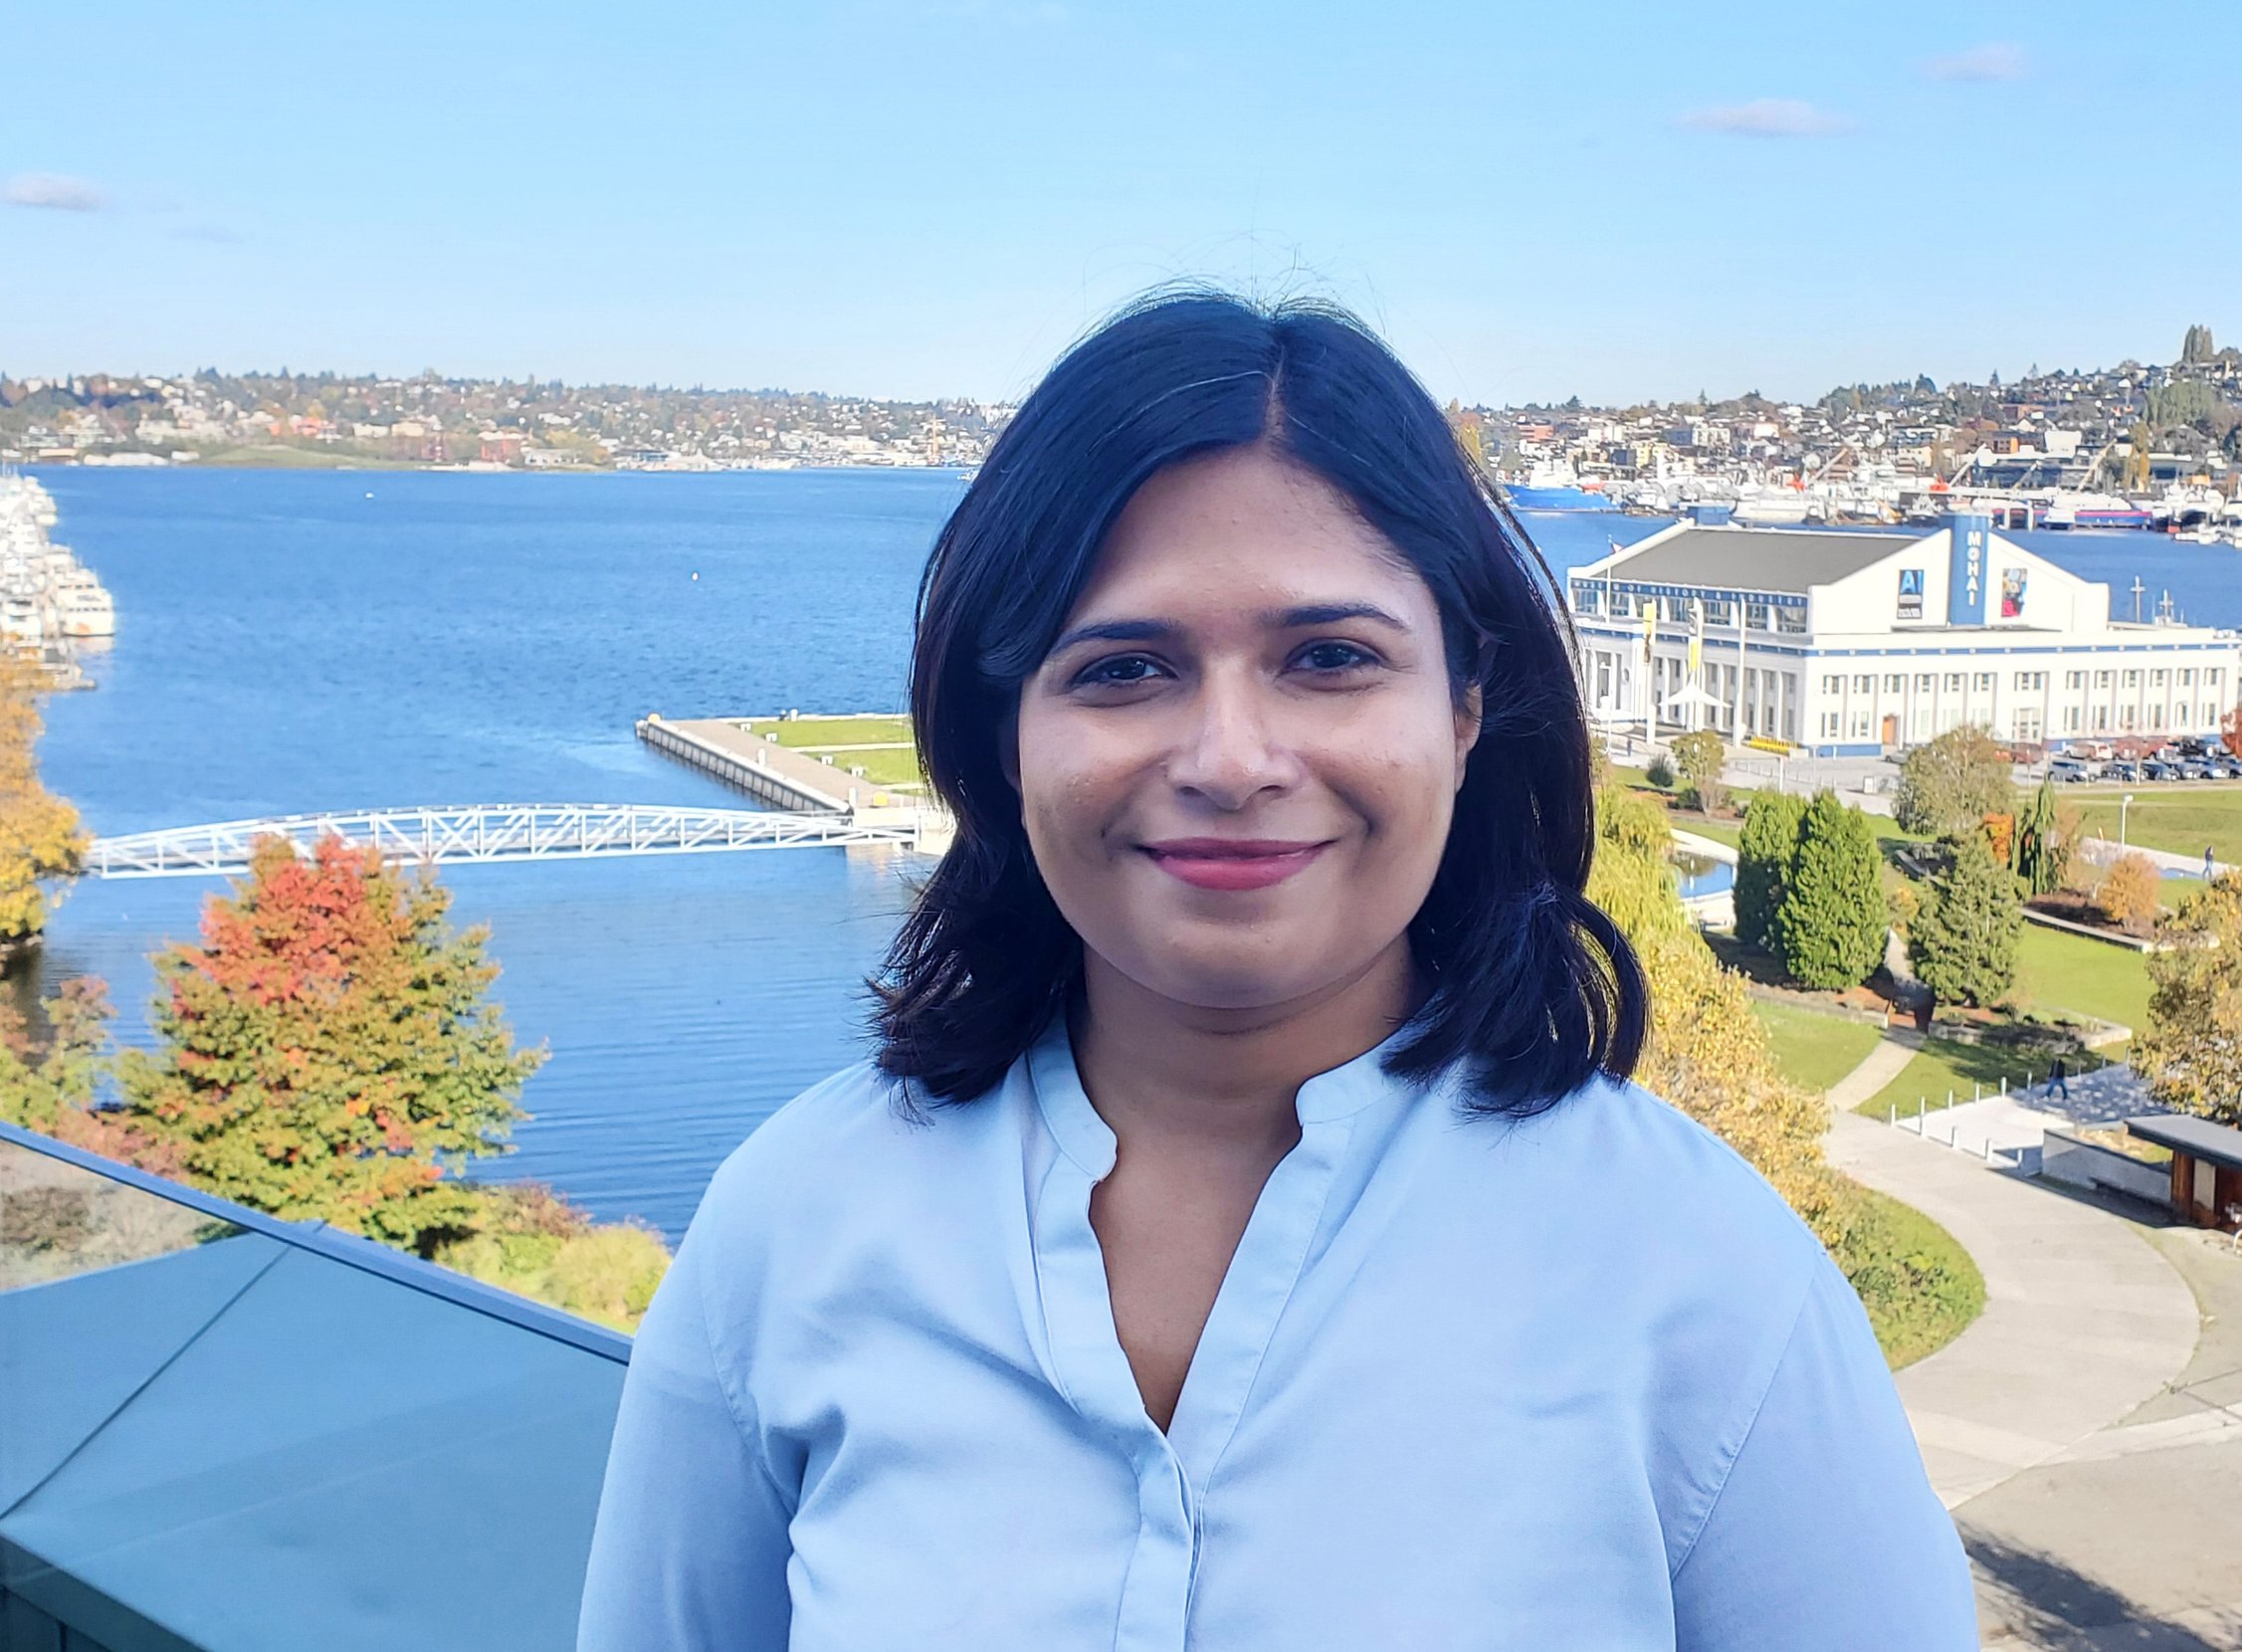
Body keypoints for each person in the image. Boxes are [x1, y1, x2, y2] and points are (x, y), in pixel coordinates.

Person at [577, 293, 1975, 1649]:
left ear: (1468, 701)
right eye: (1125, 669)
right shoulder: (789, 1235)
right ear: (1003, 733)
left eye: (1328, 656)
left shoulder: (1709, 1291)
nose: (1232, 759)